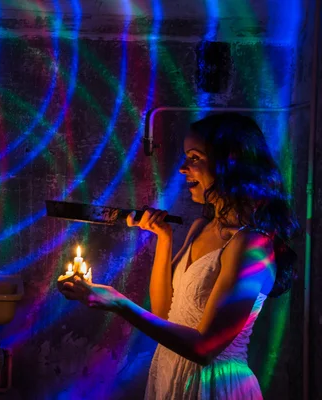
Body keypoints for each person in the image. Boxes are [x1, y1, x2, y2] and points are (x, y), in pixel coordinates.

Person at [60, 113, 299, 400]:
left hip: (214, 387)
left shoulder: (252, 245)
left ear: (230, 163)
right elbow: (164, 313)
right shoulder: (201, 228)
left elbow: (205, 348)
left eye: (195, 158)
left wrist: (118, 303)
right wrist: (163, 238)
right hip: (170, 373)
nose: (183, 168)